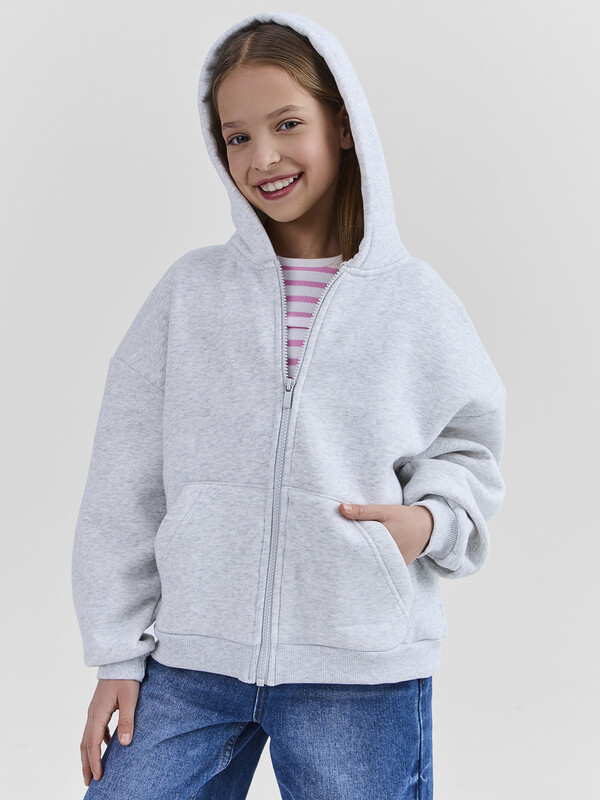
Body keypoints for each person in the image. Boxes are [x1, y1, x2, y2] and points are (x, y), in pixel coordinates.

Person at [72, 11, 507, 799]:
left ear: (342, 125)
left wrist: (430, 523)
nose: (263, 157)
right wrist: (117, 655)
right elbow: (123, 478)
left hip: (359, 665)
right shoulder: (190, 293)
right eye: (237, 136)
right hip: (192, 660)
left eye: (287, 124)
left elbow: (468, 446)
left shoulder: (415, 301)